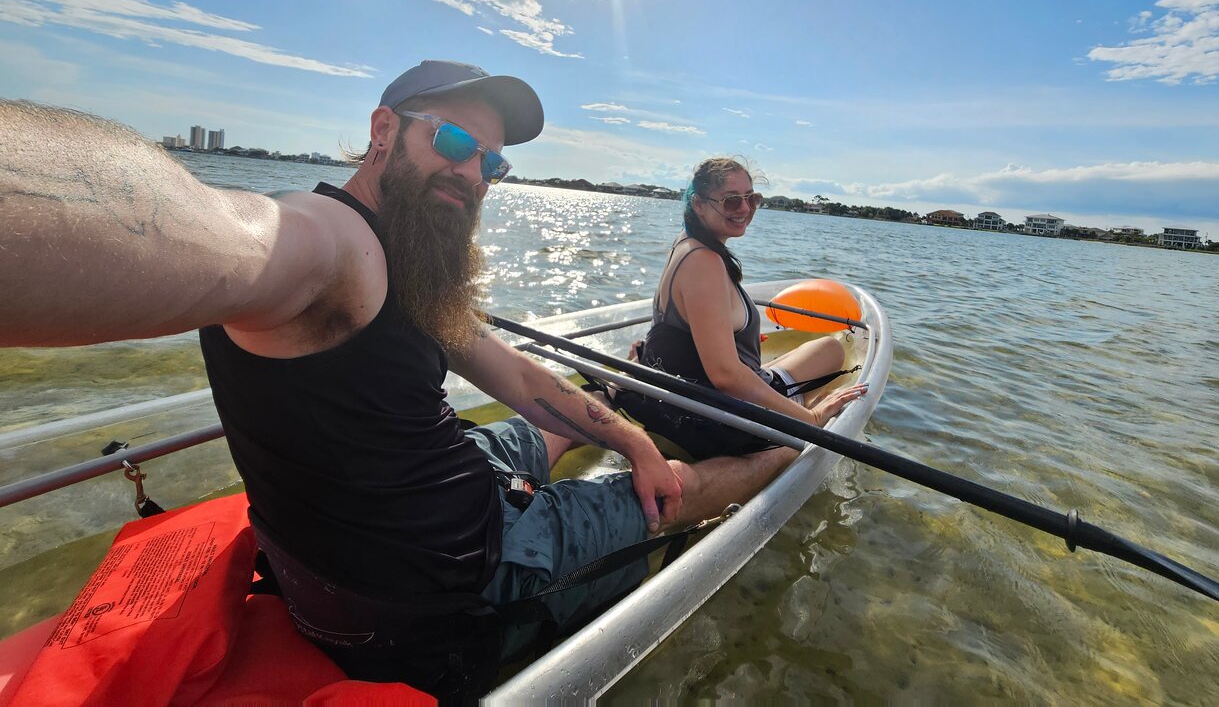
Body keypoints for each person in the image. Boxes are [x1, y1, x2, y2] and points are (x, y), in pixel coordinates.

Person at [0, 64, 797, 700]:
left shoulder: (404, 258)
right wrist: (655, 467)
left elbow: (514, 372)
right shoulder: (326, 244)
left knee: (545, 423)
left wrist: (630, 440)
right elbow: (218, 237)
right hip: (452, 585)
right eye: (452, 140)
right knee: (676, 491)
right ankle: (788, 456)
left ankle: (615, 433)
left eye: (492, 162)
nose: (473, 172)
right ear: (383, 129)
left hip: (409, 516)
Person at [615, 157, 866, 460]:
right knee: (831, 352)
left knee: (828, 348)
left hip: (693, 389)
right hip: (717, 411)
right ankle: (801, 407)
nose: (745, 209)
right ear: (698, 204)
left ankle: (794, 398)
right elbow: (725, 376)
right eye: (732, 200)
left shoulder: (685, 244)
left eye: (752, 198)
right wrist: (811, 420)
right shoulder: (704, 262)